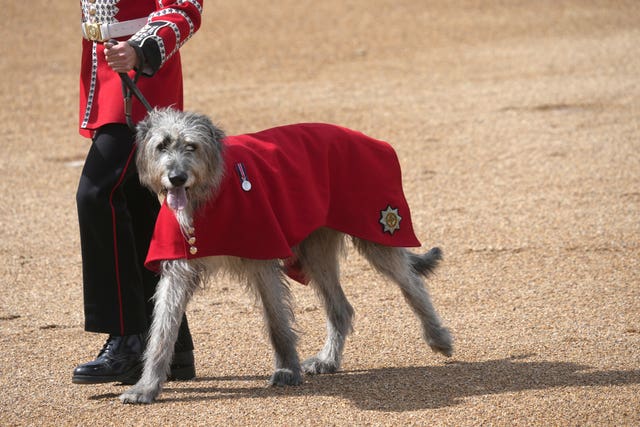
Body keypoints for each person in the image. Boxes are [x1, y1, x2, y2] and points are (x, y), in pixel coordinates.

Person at [72, 0, 204, 384]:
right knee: (137, 207)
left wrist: (142, 48)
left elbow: (185, 7)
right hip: (105, 69)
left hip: (142, 74)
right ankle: (172, 347)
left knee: (97, 195)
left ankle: (127, 340)